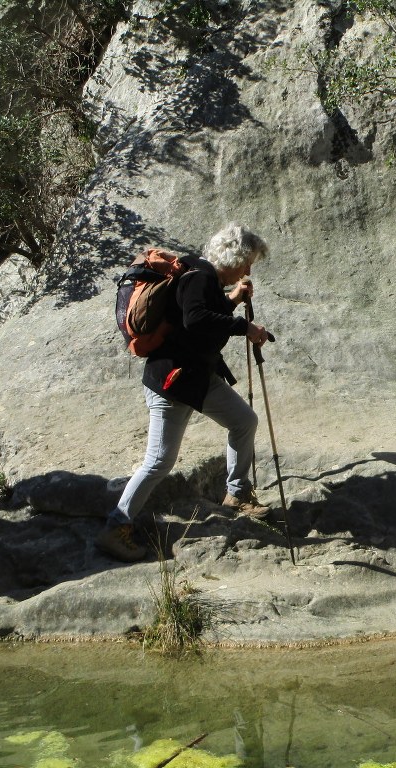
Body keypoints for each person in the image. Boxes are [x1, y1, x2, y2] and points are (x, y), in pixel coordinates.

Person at [97, 223, 271, 561]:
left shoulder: (200, 274)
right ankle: (115, 527)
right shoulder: (199, 277)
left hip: (196, 379)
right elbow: (196, 320)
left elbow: (198, 315)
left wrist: (232, 299)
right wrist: (244, 326)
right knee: (158, 461)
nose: (247, 271)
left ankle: (236, 493)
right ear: (232, 257)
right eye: (246, 262)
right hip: (173, 384)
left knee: (244, 421)